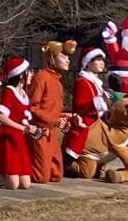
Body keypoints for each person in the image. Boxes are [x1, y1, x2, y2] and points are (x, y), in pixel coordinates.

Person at [0, 56, 44, 190]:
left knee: (26, 184)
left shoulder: (24, 93)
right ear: (20, 74)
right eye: (29, 71)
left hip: (19, 140)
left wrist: (31, 128)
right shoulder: (9, 91)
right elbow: (1, 117)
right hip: (8, 138)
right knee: (13, 185)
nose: (31, 74)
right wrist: (22, 128)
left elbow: (23, 117)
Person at [29, 40, 75, 183]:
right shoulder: (41, 78)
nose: (68, 60)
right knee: (41, 177)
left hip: (52, 133)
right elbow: (32, 107)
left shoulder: (58, 82)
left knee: (56, 175)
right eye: (63, 56)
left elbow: (50, 108)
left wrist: (64, 117)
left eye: (68, 57)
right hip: (39, 132)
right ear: (52, 58)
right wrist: (54, 120)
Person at [64, 47, 110, 164]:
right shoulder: (82, 81)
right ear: (88, 63)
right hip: (87, 121)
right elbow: (80, 105)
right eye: (98, 60)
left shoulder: (96, 82)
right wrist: (99, 101)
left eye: (102, 60)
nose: (102, 63)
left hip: (98, 120)